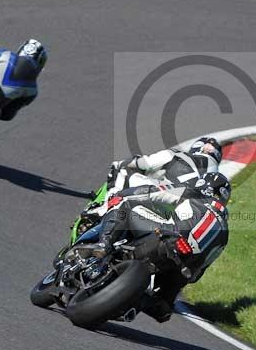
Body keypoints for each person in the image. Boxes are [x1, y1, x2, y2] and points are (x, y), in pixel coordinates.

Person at [95, 171, 231, 322]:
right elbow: (197, 275)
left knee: (125, 207)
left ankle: (103, 245)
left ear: (203, 184)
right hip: (184, 270)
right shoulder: (225, 235)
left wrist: (122, 194)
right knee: (164, 308)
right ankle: (136, 303)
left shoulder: (193, 193)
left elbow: (150, 192)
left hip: (169, 239)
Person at [107, 137, 223, 194]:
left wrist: (121, 163)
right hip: (185, 211)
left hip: (163, 195)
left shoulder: (177, 154)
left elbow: (145, 163)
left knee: (123, 170)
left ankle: (105, 208)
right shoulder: (217, 179)